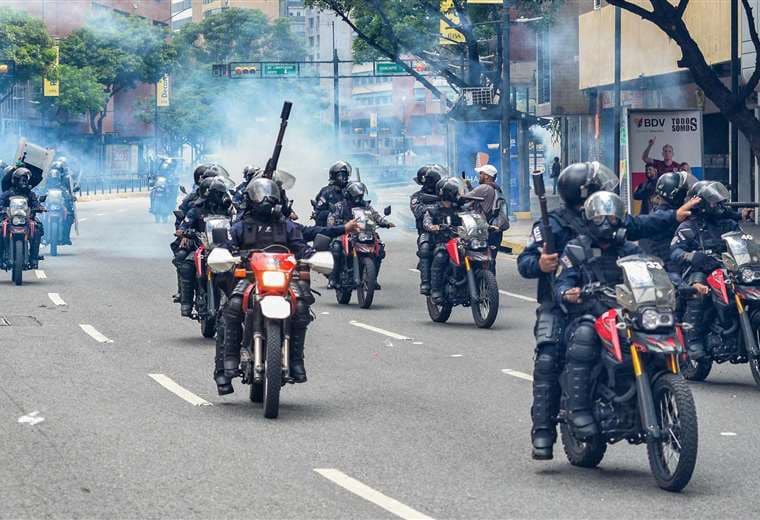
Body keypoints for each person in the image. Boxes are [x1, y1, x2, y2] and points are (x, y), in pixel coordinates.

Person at [517, 161, 698, 460]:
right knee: (550, 357)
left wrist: (673, 223)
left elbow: (641, 232)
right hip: (562, 302)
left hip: (610, 301)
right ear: (582, 194)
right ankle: (545, 430)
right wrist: (540, 265)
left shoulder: (611, 221)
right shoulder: (555, 225)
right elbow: (527, 263)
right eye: (597, 186)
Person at [555, 191, 642, 440]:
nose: (607, 223)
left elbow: (652, 270)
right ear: (588, 218)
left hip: (626, 314)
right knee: (584, 335)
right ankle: (578, 409)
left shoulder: (628, 249)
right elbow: (563, 280)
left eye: (613, 217)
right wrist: (567, 292)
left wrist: (676, 284)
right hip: (589, 314)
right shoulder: (576, 249)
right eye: (601, 217)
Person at [216, 178, 314, 395]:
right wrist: (229, 255)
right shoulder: (241, 226)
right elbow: (227, 245)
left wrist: (311, 256)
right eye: (260, 195)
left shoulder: (286, 225)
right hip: (251, 277)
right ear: (251, 199)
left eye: (270, 194)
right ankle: (230, 359)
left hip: (283, 278)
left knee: (301, 308)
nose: (266, 199)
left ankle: (296, 360)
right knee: (232, 307)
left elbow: (300, 247)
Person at [670, 181, 741, 361]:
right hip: (701, 270)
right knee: (698, 290)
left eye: (719, 201)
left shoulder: (728, 224)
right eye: (713, 202)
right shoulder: (688, 226)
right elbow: (675, 251)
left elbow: (743, 242)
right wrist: (691, 256)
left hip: (727, 268)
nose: (718, 206)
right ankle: (693, 340)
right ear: (701, 204)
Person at [327, 180, 394, 289]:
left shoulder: (366, 206)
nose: (358, 198)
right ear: (349, 194)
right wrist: (334, 224)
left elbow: (375, 216)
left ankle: (373, 279)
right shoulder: (340, 206)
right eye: (356, 195)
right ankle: (333, 278)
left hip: (363, 232)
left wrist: (385, 223)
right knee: (336, 247)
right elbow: (332, 217)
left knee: (379, 249)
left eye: (360, 195)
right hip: (346, 232)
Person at [427, 176, 468, 303]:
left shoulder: (461, 209)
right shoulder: (433, 209)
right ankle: (436, 290)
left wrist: (485, 226)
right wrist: (434, 227)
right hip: (443, 242)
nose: (459, 194)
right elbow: (427, 223)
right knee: (440, 257)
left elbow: (473, 218)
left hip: (461, 242)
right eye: (456, 192)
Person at [467, 164, 509, 272]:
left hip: (486, 229)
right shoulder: (496, 188)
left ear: (487, 176)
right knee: (491, 260)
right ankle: (490, 285)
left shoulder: (484, 187)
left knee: (478, 258)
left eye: (481, 173)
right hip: (496, 229)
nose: (479, 176)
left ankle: (481, 284)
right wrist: (469, 186)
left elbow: (465, 198)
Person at [0, 168, 45, 269]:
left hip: (26, 219)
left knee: (37, 228)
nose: (24, 182)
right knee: (1, 227)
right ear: (15, 180)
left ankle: (33, 258)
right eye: (22, 179)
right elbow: (1, 201)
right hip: (10, 218)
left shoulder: (29, 193)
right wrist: (1, 208)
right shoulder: (8, 193)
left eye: (25, 179)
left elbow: (35, 202)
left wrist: (39, 207)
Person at [410, 164, 444, 295]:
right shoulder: (417, 197)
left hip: (448, 229)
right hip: (427, 231)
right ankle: (425, 282)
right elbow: (418, 211)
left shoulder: (443, 193)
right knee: (424, 247)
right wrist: (433, 207)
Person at [313, 161, 351, 227]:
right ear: (334, 176)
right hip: (332, 228)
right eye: (341, 175)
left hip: (350, 225)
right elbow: (318, 213)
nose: (344, 178)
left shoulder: (350, 190)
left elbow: (358, 205)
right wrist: (332, 213)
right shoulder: (326, 192)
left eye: (345, 175)